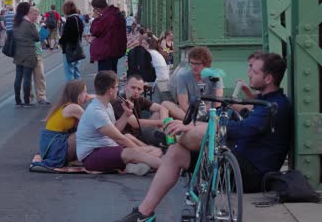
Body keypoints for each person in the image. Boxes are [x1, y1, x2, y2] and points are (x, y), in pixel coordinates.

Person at [117, 53, 291, 221]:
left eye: (254, 71)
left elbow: (238, 130)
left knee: (198, 134)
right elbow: (242, 117)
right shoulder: (266, 100)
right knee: (177, 151)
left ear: (268, 79)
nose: (249, 73)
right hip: (240, 160)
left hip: (251, 173)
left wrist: (190, 126)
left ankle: (172, 139)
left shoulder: (274, 106)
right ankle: (144, 213)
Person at [76, 71, 163, 175]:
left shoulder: (106, 105)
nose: (118, 89)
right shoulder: (96, 111)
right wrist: (140, 151)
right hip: (91, 155)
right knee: (133, 152)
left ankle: (137, 165)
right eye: (117, 87)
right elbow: (119, 138)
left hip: (106, 147)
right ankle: (167, 167)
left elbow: (116, 128)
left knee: (155, 150)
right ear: (111, 90)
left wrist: (126, 114)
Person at [35, 80, 93, 167]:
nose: (87, 95)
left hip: (49, 146)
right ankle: (80, 158)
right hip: (55, 146)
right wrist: (96, 99)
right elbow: (93, 123)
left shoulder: (65, 104)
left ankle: (77, 158)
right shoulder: (74, 107)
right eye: (85, 91)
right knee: (87, 132)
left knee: (83, 130)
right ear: (78, 94)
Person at [164, 46, 223, 120]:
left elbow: (218, 102)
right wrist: (196, 115)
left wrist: (207, 113)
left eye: (198, 64)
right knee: (165, 104)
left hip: (210, 112)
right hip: (190, 112)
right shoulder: (182, 76)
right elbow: (183, 104)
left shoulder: (215, 76)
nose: (194, 67)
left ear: (206, 64)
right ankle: (194, 121)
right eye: (192, 63)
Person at [111, 75, 170, 147]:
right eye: (133, 87)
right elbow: (135, 123)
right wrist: (162, 122)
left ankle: (166, 135)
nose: (136, 91)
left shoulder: (139, 99)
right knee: (128, 136)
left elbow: (162, 108)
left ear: (142, 90)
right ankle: (150, 148)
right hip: (128, 137)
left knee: (160, 111)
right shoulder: (120, 101)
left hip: (140, 133)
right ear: (126, 86)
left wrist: (165, 124)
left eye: (139, 89)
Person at [12, 2, 39, 107]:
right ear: (27, 11)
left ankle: (18, 100)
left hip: (18, 53)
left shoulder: (16, 23)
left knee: (18, 76)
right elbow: (37, 38)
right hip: (29, 53)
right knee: (27, 77)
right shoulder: (29, 24)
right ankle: (27, 101)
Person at [90, 0, 127, 73]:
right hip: (115, 50)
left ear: (98, 9)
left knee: (105, 78)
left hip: (106, 52)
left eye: (94, 9)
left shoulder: (107, 17)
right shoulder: (116, 14)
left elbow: (95, 31)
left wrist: (96, 18)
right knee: (112, 75)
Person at [59, 0, 84, 81]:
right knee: (77, 72)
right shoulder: (78, 19)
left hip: (69, 50)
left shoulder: (70, 20)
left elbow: (66, 35)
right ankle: (79, 90)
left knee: (69, 73)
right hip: (77, 48)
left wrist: (60, 41)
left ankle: (72, 92)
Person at [30, 7, 50, 106]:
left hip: (38, 53)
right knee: (28, 77)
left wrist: (44, 40)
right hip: (29, 53)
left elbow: (40, 38)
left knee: (40, 76)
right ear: (29, 14)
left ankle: (41, 97)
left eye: (37, 14)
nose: (36, 16)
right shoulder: (27, 24)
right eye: (34, 14)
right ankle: (29, 97)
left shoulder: (37, 24)